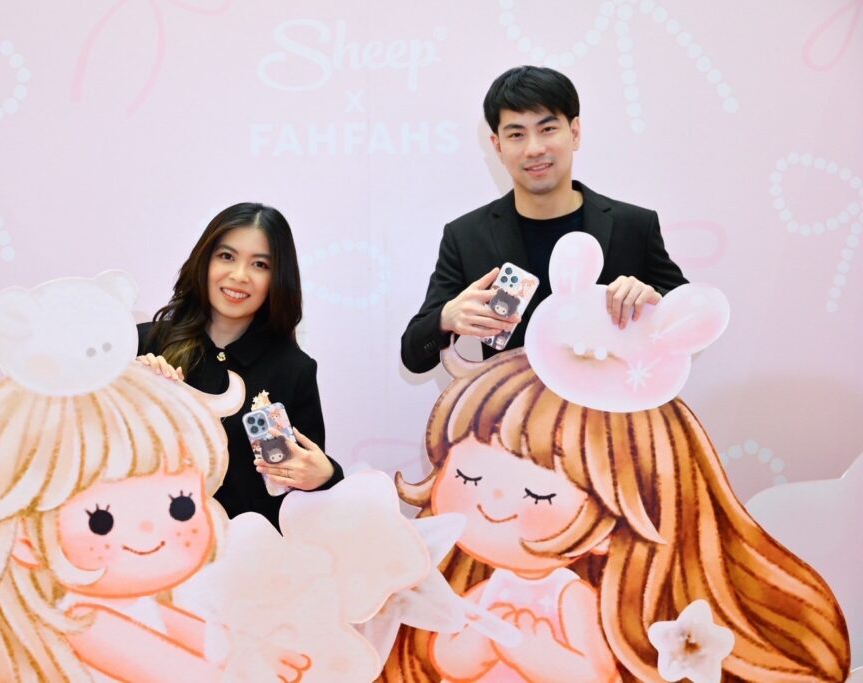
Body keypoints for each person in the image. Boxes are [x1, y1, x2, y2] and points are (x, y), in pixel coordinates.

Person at [379, 347, 851, 682]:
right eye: (469, 478)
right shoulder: (487, 589)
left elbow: (592, 672)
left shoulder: (569, 596)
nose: (492, 500)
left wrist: (527, 652)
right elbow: (447, 657)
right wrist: (476, 647)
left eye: (538, 495)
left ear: (614, 526)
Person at [0, 362, 317, 682]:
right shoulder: (82, 620)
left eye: (179, 506)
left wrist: (250, 650)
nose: (150, 532)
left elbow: (199, 636)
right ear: (24, 535)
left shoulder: (136, 602)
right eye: (101, 520)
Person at [401, 66, 688, 373]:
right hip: (516, 402)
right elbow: (414, 356)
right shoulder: (466, 236)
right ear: (497, 146)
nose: (534, 149)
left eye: (547, 129)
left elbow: (687, 316)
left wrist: (654, 300)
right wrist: (445, 319)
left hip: (612, 400)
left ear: (574, 133)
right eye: (516, 135)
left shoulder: (634, 225)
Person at [138, 202, 343, 529]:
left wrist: (327, 475)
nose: (239, 276)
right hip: (148, 540)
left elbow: (304, 480)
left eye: (259, 264)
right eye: (227, 256)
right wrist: (131, 388)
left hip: (247, 551)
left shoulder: (294, 370)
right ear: (205, 260)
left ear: (278, 278)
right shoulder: (146, 344)